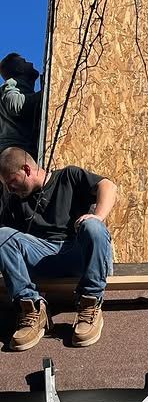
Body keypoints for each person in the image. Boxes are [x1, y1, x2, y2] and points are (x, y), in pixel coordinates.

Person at [0, 147, 116, 350]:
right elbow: (9, 250)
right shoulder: (15, 201)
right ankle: (32, 308)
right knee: (2, 235)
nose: (10, 189)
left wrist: (97, 216)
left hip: (77, 253)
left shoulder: (68, 176)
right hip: (41, 257)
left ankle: (90, 304)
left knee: (93, 227)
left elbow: (108, 186)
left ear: (26, 169)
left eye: (11, 181)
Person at [0, 53, 42, 155]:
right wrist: (47, 92)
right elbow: (15, 105)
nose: (31, 63)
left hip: (22, 151)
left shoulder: (22, 88)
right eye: (25, 62)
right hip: (14, 150)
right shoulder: (12, 83)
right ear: (20, 69)